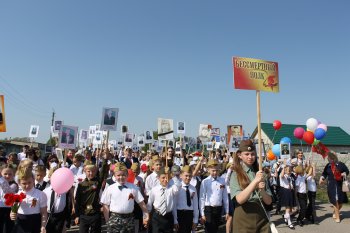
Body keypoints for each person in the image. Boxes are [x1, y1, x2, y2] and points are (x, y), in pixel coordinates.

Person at [230, 140, 272, 233]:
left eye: (252, 154)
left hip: (261, 215)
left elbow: (268, 202)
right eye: (247, 154)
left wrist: (262, 191)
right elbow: (239, 199)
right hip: (243, 217)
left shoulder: (261, 173)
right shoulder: (236, 174)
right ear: (240, 155)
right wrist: (255, 182)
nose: (250, 157)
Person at [101, 162, 149, 233]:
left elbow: (141, 203)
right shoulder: (110, 188)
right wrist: (107, 220)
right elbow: (105, 204)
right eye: (118, 175)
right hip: (114, 219)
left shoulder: (133, 187)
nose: (121, 177)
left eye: (123, 175)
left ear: (127, 175)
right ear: (114, 175)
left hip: (129, 219)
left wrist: (146, 214)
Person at [10, 167, 48, 233]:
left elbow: (44, 212)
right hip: (21, 224)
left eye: (29, 182)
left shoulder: (40, 194)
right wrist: (12, 214)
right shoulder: (17, 195)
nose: (27, 186)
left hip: (35, 222)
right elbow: (13, 210)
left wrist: (43, 226)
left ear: (33, 180)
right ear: (19, 183)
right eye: (24, 183)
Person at [147, 167, 181, 233]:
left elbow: (177, 188)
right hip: (157, 217)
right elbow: (149, 204)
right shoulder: (154, 190)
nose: (165, 180)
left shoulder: (172, 189)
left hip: (168, 217)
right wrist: (146, 217)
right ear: (158, 178)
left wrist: (171, 176)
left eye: (167, 178)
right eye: (163, 178)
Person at [319, 151, 349, 223]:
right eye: (329, 157)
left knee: (341, 202)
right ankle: (338, 217)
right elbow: (324, 173)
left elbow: (347, 171)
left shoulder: (341, 165)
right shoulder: (328, 166)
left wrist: (344, 173)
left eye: (331, 157)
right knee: (335, 201)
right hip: (331, 186)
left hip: (340, 186)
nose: (329, 159)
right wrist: (322, 178)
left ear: (335, 158)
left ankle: (335, 212)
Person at [200, 159, 229, 233]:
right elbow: (202, 198)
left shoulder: (222, 181)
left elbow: (225, 197)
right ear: (208, 170)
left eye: (216, 170)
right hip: (208, 209)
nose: (215, 172)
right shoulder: (205, 182)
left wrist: (227, 211)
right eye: (213, 170)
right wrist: (202, 213)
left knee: (216, 229)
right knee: (209, 229)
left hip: (218, 208)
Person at [173, 165, 199, 233]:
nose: (188, 178)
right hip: (179, 214)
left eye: (190, 176)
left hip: (189, 215)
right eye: (186, 175)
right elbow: (174, 204)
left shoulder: (193, 188)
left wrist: (195, 220)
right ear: (181, 175)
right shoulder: (177, 187)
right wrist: (175, 220)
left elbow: (196, 205)